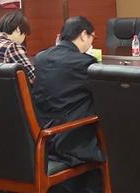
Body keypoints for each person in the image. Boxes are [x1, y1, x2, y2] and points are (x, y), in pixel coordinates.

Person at [32, 16, 103, 193]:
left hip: (41, 136)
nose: (91, 42)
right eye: (92, 37)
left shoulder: (41, 58)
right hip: (70, 139)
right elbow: (102, 96)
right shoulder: (84, 63)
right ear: (84, 35)